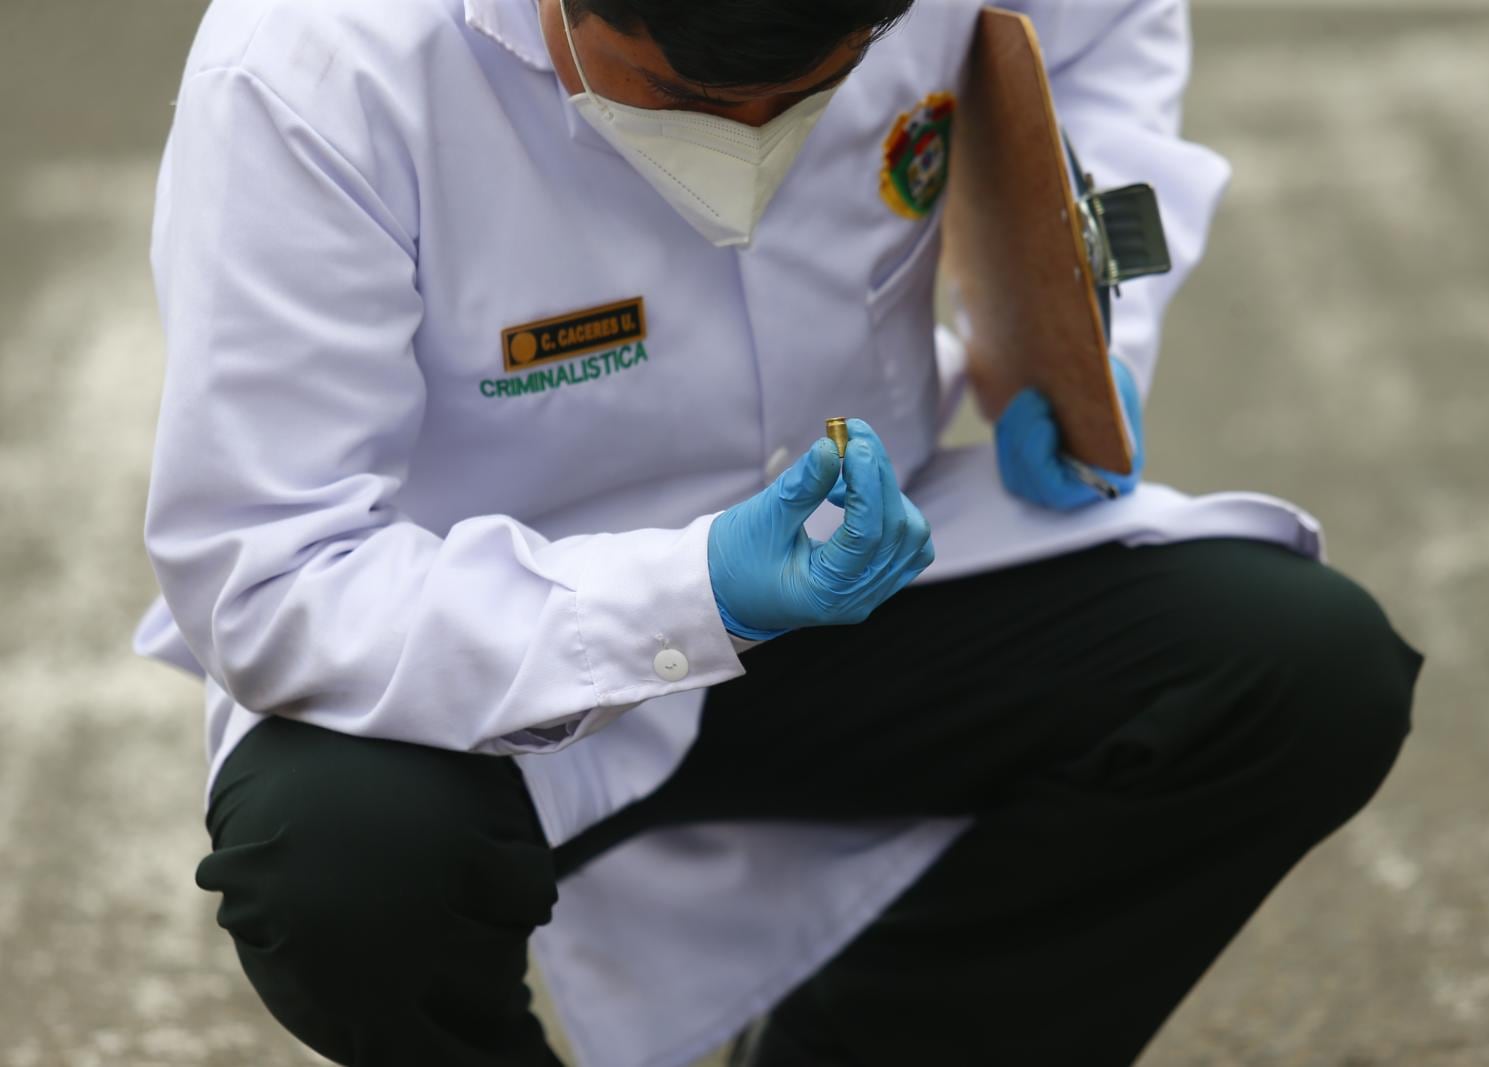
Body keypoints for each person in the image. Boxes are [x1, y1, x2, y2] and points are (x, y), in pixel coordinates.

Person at [134, 0, 1423, 1063]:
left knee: (1299, 667)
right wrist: (699, 590)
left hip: (873, 561)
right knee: (339, 872)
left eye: (817, 86)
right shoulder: (314, 67)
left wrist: (1079, 320)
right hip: (482, 649)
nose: (748, 142)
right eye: (674, 92)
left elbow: (1111, 30)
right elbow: (271, 573)